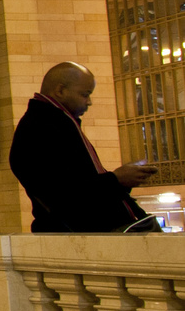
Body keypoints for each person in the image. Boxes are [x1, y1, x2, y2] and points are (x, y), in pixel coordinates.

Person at [9, 61, 158, 231]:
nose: (89, 102)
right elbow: (64, 195)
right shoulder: (39, 127)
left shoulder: (58, 122)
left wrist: (120, 181)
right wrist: (117, 179)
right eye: (85, 94)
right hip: (80, 237)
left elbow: (78, 184)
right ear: (60, 90)